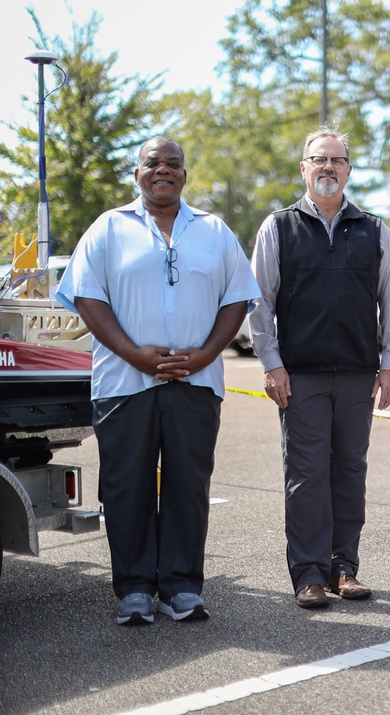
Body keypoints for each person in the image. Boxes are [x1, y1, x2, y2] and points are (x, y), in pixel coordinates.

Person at [55, 136, 260, 625]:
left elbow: (237, 298)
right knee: (127, 487)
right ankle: (134, 589)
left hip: (196, 381)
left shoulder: (213, 230)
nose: (163, 170)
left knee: (189, 485)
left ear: (185, 176)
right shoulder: (109, 227)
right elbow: (86, 297)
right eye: (153, 163)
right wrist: (134, 355)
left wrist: (207, 354)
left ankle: (182, 587)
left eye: (173, 164)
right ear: (137, 173)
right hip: (124, 383)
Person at [249, 124, 390, 609]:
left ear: (349, 170)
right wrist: (271, 364)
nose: (328, 167)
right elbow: (259, 304)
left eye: (337, 160)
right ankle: (310, 575)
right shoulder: (278, 227)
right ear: (304, 167)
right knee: (306, 473)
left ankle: (344, 568)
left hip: (358, 375)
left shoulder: (374, 229)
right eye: (320, 159)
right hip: (301, 376)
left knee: (350, 471)